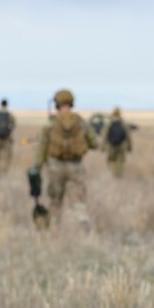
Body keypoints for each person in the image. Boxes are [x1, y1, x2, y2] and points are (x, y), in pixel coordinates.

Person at [30, 89, 97, 231]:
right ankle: (83, 223)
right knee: (78, 202)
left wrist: (37, 167)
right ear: (71, 103)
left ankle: (54, 231)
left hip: (55, 167)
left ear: (57, 104)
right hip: (76, 166)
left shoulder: (51, 124)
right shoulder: (80, 122)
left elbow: (42, 148)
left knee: (55, 201)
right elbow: (94, 143)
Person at [103, 107, 134, 178]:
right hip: (121, 145)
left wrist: (103, 147)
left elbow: (104, 136)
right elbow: (128, 136)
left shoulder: (109, 123)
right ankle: (119, 175)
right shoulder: (123, 123)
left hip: (111, 145)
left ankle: (112, 174)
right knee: (120, 161)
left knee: (111, 160)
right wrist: (129, 147)